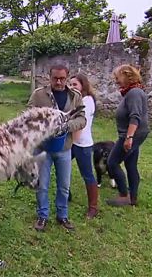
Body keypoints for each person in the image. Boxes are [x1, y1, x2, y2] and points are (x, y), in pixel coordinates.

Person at [27, 64, 86, 231]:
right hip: (42, 149)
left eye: (62, 78)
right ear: (49, 77)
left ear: (67, 77)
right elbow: (28, 115)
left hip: (64, 148)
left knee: (64, 186)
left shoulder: (75, 96)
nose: (59, 82)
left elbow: (82, 119)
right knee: (42, 185)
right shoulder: (39, 95)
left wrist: (65, 126)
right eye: (55, 78)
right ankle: (42, 216)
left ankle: (62, 216)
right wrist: (44, 125)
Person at [105, 64, 150, 207]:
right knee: (131, 165)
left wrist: (129, 137)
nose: (116, 80)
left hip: (132, 134)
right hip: (136, 134)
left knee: (112, 162)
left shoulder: (134, 93)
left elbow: (135, 116)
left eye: (117, 77)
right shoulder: (133, 92)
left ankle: (124, 195)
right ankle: (133, 197)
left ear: (127, 75)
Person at [68, 73, 99, 219]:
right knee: (63, 166)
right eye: (71, 84)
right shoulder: (76, 99)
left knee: (87, 175)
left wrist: (71, 142)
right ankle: (66, 194)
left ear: (83, 85)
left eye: (75, 85)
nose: (72, 87)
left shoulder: (87, 101)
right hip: (73, 142)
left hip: (82, 144)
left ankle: (93, 208)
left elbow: (80, 125)